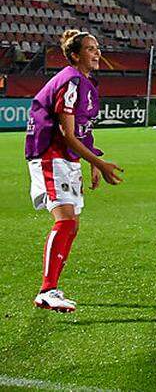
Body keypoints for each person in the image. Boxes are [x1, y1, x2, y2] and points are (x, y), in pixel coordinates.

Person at [27, 30, 123, 311]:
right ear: (75, 55)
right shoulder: (70, 81)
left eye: (98, 48)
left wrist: (93, 158)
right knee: (66, 221)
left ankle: (51, 287)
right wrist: (99, 163)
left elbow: (82, 128)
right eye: (91, 49)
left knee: (73, 224)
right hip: (51, 154)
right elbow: (67, 133)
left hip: (65, 158)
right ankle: (48, 290)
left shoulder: (85, 82)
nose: (97, 53)